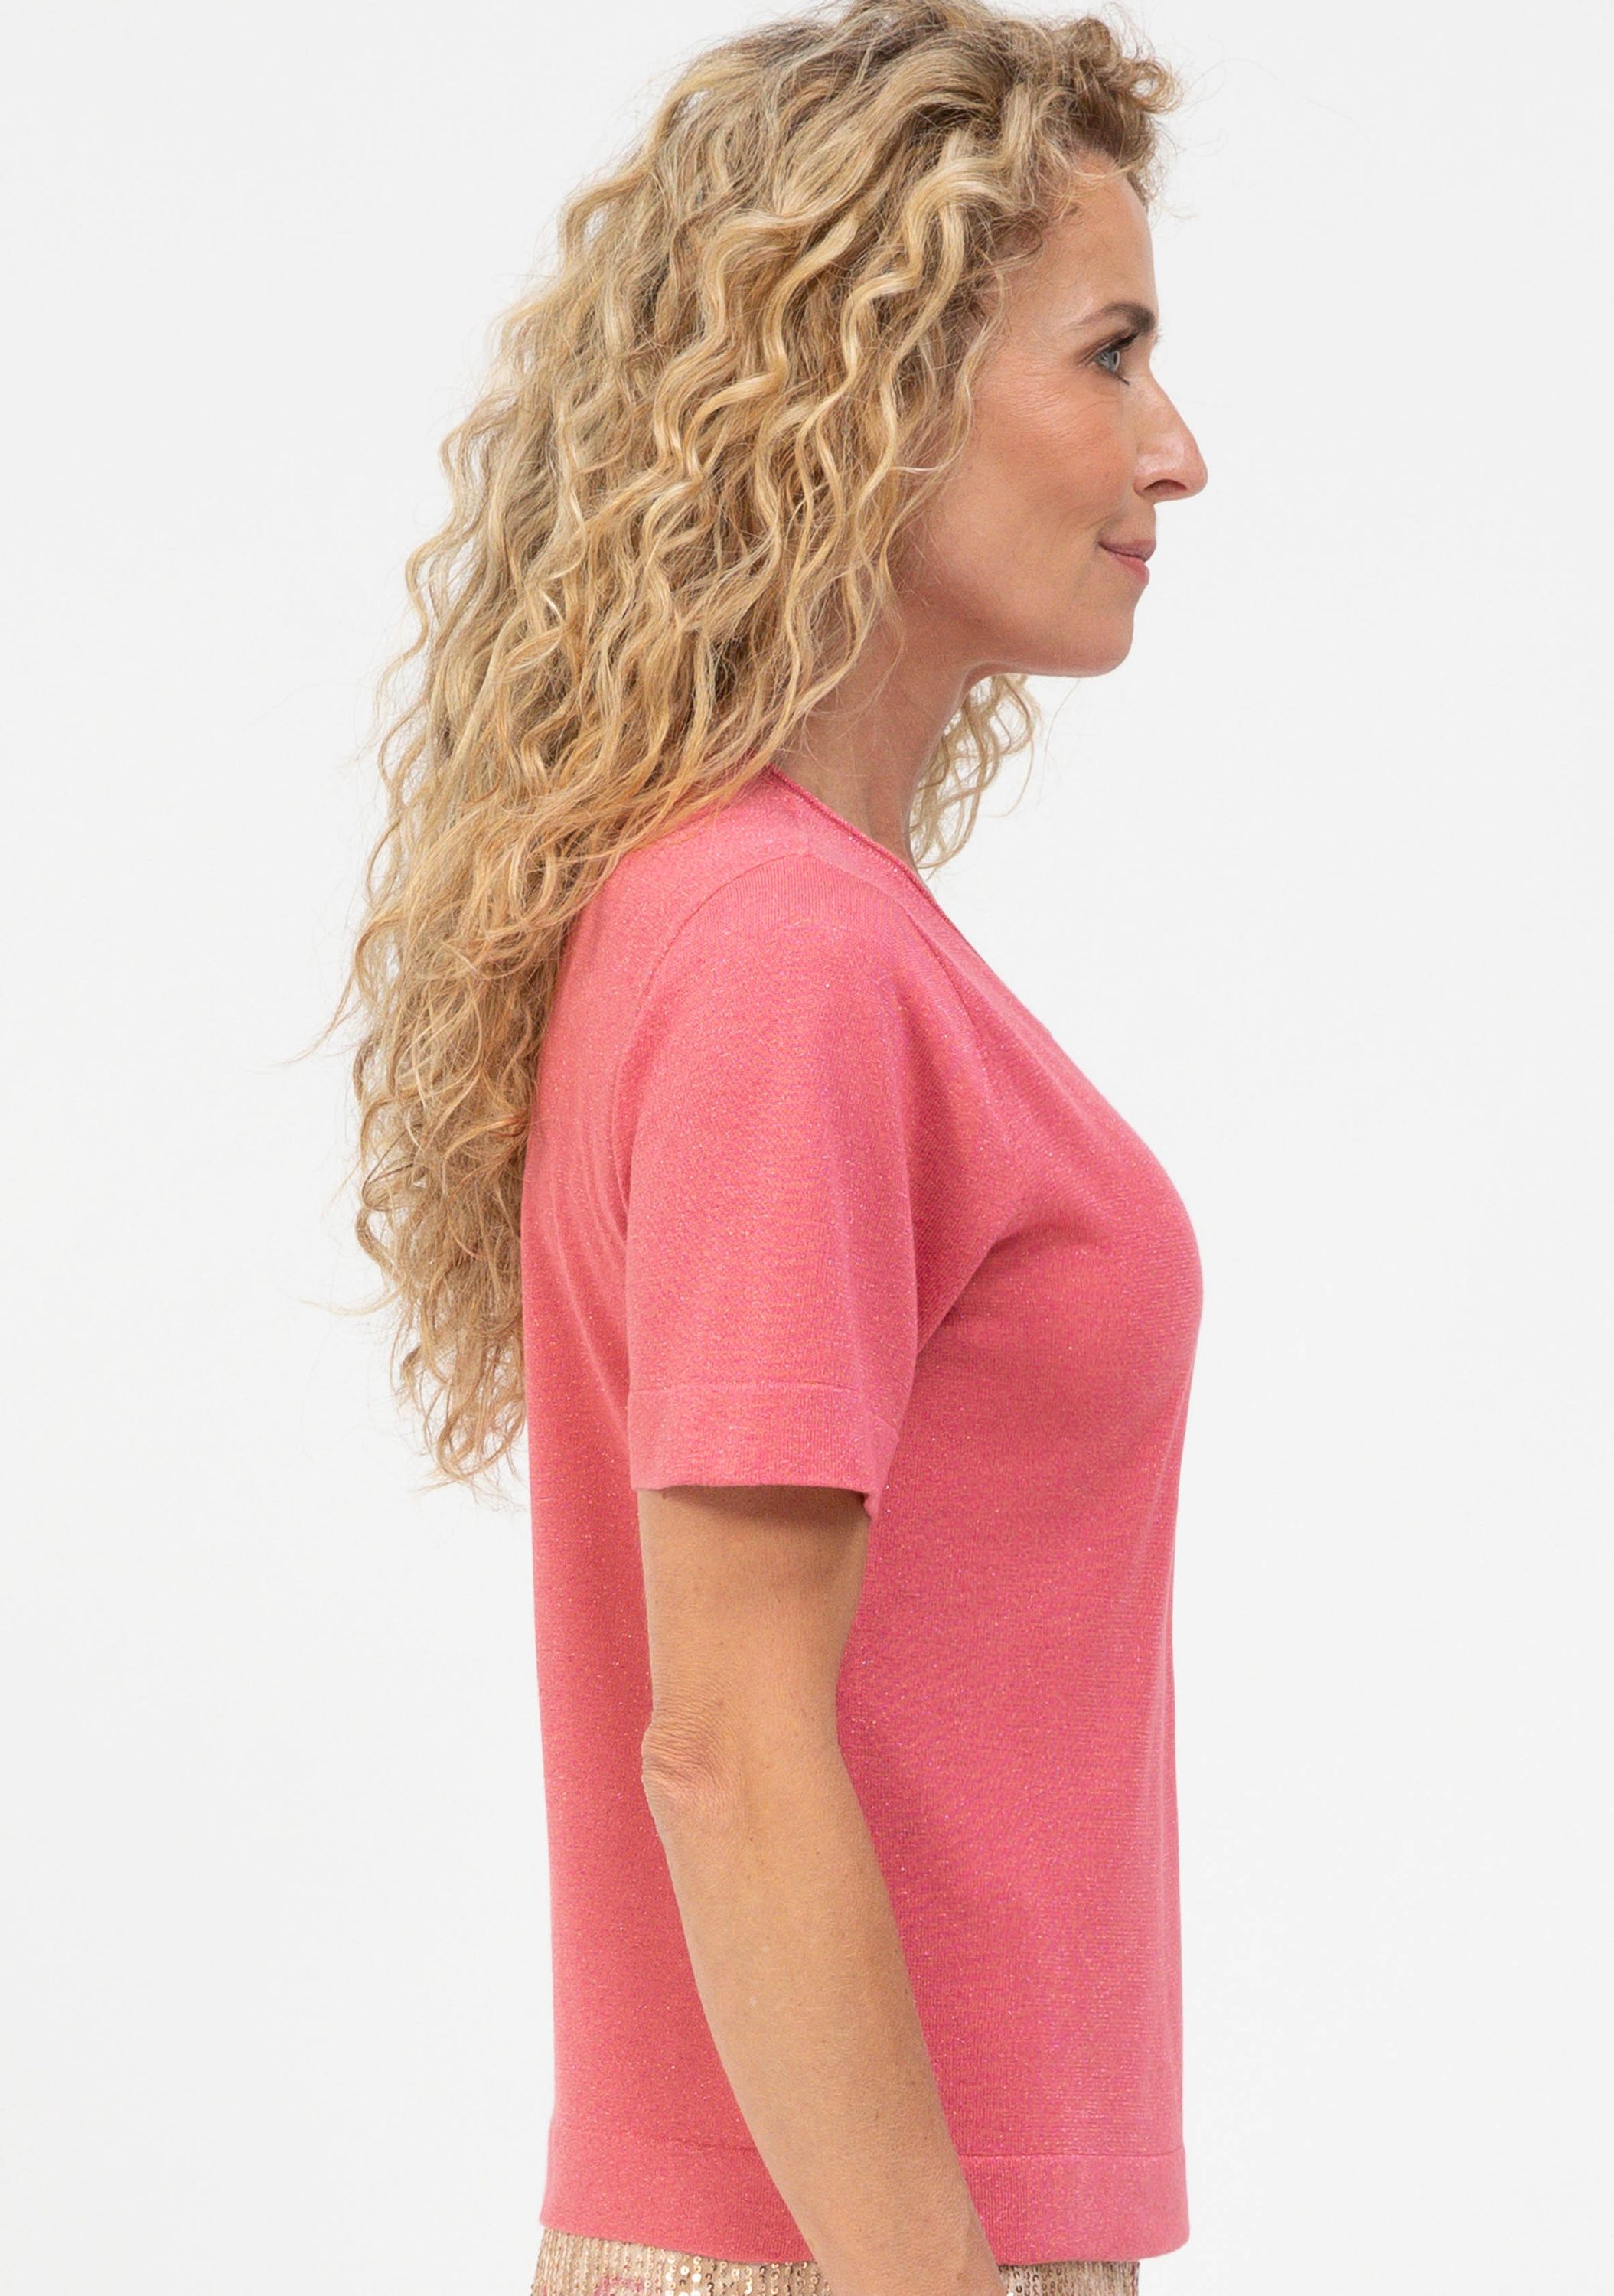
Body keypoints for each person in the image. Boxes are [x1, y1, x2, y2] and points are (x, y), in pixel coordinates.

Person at [331, 3, 1210, 2292]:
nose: (1179, 448)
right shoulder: (781, 955)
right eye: (1111, 355)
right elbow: (722, 1747)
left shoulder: (784, 928)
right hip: (861, 2248)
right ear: (879, 385)